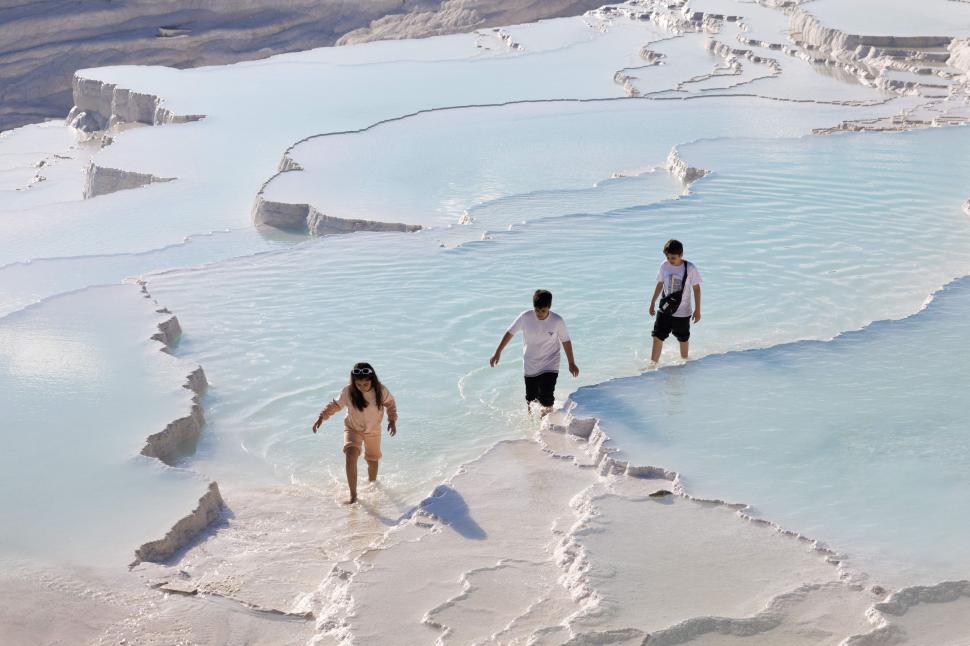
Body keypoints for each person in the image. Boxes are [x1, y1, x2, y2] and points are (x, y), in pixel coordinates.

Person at [312, 362, 397, 504]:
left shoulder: (380, 391)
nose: (362, 387)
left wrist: (392, 420)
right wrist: (322, 417)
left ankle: (372, 487)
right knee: (350, 456)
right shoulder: (349, 391)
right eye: (358, 384)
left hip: (373, 430)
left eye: (366, 384)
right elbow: (335, 405)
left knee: (372, 462)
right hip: (352, 428)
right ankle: (353, 496)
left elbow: (390, 403)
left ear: (372, 380)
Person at [490, 289, 579, 416]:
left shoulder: (557, 321)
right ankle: (531, 428)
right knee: (531, 400)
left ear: (549, 307)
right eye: (537, 310)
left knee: (547, 397)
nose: (539, 314)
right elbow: (510, 333)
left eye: (543, 311)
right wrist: (497, 352)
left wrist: (571, 362)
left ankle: (547, 422)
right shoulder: (525, 317)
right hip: (530, 363)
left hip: (551, 363)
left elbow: (566, 341)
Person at [648, 239, 702, 364]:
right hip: (665, 309)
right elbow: (660, 283)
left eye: (673, 258)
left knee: (683, 339)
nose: (670, 260)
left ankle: (684, 364)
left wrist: (698, 310)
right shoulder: (664, 266)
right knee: (657, 337)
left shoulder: (690, 268)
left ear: (681, 255)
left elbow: (697, 289)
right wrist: (652, 302)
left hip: (682, 312)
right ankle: (652, 366)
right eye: (667, 257)